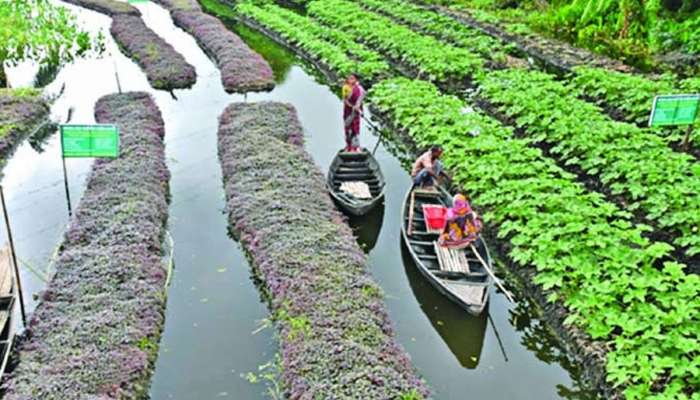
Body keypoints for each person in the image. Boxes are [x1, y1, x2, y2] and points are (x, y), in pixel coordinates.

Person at [343, 73, 365, 152]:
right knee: (348, 128)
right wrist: (352, 107)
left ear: (356, 80)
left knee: (355, 128)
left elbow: (360, 100)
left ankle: (355, 147)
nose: (350, 80)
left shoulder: (360, 89)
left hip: (356, 112)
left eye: (352, 78)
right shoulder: (346, 88)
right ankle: (348, 146)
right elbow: (345, 100)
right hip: (348, 111)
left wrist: (359, 108)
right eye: (349, 78)